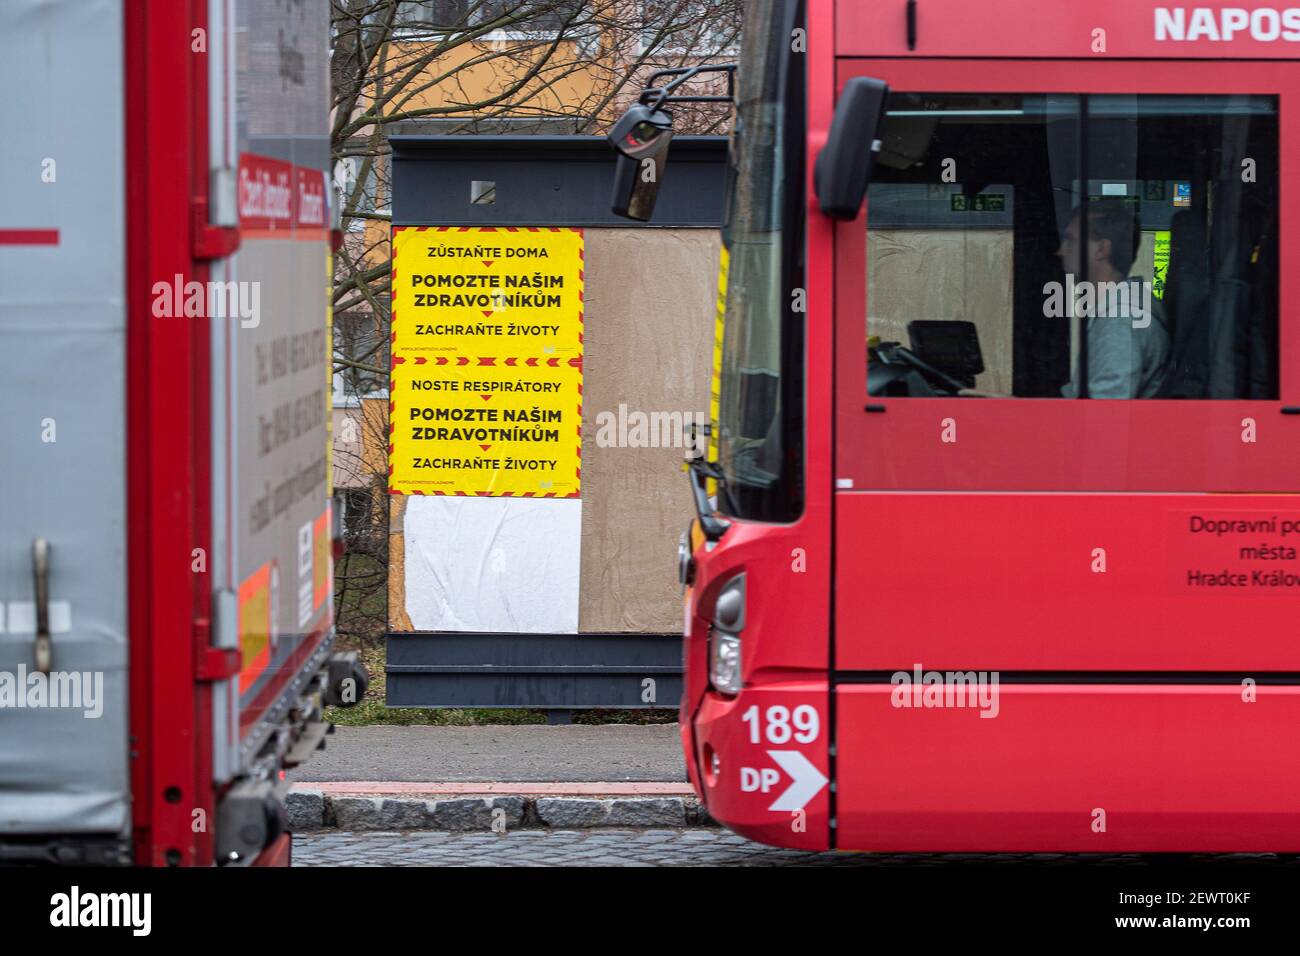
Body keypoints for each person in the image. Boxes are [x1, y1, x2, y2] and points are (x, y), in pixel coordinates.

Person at [1057, 199, 1171, 398]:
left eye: (1071, 241)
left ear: (1102, 250)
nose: (1061, 251)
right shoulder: (1120, 312)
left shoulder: (1119, 321)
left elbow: (1104, 416)